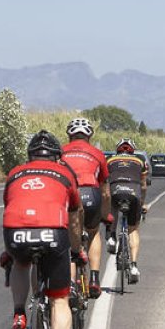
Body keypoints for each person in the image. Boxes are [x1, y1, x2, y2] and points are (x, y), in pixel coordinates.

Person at [2, 130, 83, 329]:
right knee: (60, 298)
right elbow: (73, 218)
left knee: (20, 263)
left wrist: (10, 251)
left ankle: (19, 314)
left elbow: (11, 208)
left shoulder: (15, 173)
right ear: (58, 157)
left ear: (30, 156)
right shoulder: (66, 174)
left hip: (16, 231)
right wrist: (76, 249)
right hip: (52, 232)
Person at [60, 117, 111, 298]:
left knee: (69, 239)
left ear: (69, 135)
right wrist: (106, 215)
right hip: (91, 193)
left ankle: (72, 285)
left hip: (69, 194)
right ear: (89, 136)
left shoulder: (60, 152)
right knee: (93, 232)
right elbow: (105, 192)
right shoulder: (97, 154)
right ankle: (95, 280)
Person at [106, 138, 148, 282]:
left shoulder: (110, 160)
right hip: (134, 192)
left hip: (115, 190)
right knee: (133, 229)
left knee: (111, 208)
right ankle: (134, 266)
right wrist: (142, 203)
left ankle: (111, 237)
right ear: (133, 150)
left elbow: (104, 182)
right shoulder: (140, 161)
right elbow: (143, 186)